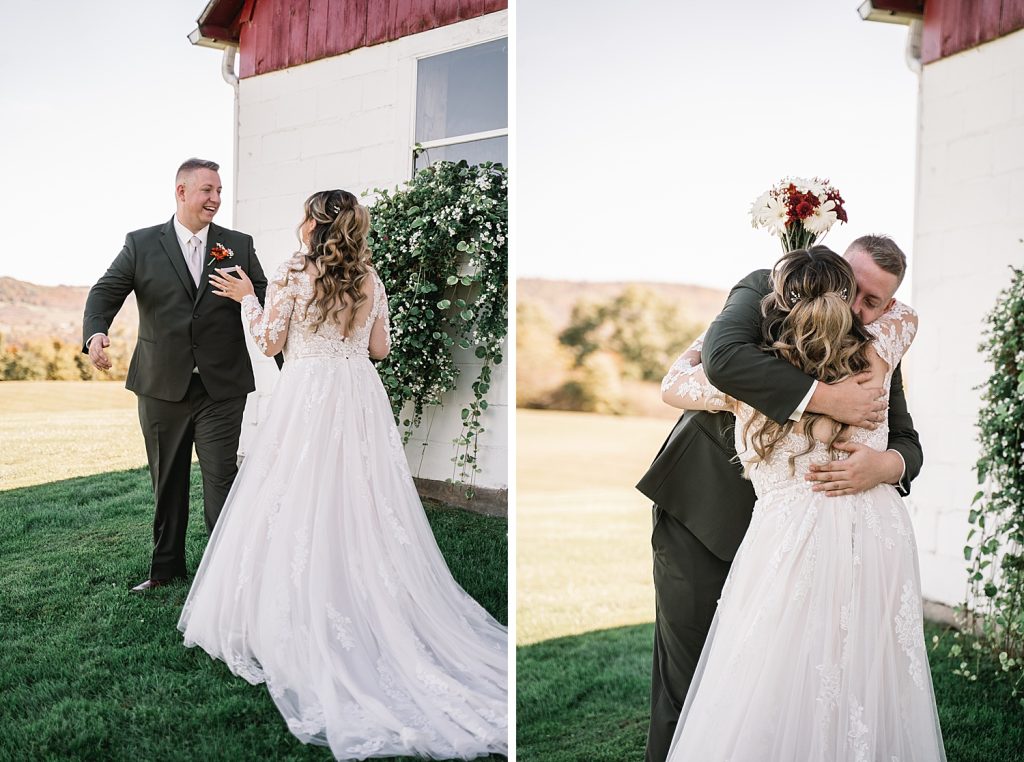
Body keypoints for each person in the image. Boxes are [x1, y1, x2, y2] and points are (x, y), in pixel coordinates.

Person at [177, 189, 508, 759]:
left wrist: (249, 297)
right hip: (357, 395)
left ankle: (305, 604)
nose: (298, 220)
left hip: (308, 395)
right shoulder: (370, 279)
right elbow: (379, 348)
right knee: (361, 497)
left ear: (314, 223)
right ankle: (365, 595)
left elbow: (268, 340)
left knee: (296, 495)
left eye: (303, 212)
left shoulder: (290, 272)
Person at [637, 235, 924, 761]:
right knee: (698, 680)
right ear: (829, 277)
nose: (858, 312)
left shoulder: (879, 350)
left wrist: (885, 464)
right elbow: (721, 362)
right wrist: (824, 403)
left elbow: (906, 439)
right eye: (851, 292)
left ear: (888, 307)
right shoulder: (762, 299)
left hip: (825, 537)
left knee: (814, 680)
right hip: (707, 511)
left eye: (874, 303)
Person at [82, 158, 274, 593]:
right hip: (160, 385)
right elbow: (105, 291)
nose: (216, 199)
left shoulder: (238, 245)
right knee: (166, 481)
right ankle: (165, 570)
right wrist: (96, 332)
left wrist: (252, 300)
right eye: (208, 190)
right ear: (181, 192)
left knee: (221, 479)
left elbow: (268, 301)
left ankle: (224, 573)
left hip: (221, 386)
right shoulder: (142, 243)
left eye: (220, 190)